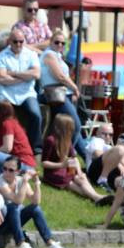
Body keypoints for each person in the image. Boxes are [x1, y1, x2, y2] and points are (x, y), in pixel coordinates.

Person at [0, 156, 66, 248]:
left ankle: (49, 242)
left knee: (35, 209)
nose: (6, 172)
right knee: (14, 207)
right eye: (4, 169)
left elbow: (35, 201)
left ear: (18, 171)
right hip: (0, 223)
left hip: (16, 221)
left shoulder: (20, 180)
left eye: (11, 170)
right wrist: (24, 182)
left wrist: (37, 183)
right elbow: (17, 201)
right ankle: (20, 243)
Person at [40, 30, 88, 161]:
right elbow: (60, 76)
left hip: (62, 95)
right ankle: (64, 156)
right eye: (57, 42)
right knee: (75, 125)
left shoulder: (58, 55)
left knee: (69, 128)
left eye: (63, 43)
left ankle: (87, 158)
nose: (60, 45)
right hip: (54, 94)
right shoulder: (49, 54)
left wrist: (72, 90)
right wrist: (74, 88)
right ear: (50, 42)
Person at [0, 29, 43, 152]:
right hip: (6, 93)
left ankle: (34, 148)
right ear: (9, 41)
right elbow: (1, 78)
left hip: (26, 93)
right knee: (0, 115)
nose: (19, 44)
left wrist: (13, 74)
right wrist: (24, 77)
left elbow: (36, 74)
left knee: (36, 114)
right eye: (15, 42)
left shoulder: (31, 54)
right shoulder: (1, 57)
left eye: (21, 41)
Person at [41, 114, 105, 204]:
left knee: (81, 178)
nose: (72, 130)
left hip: (65, 169)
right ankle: (96, 198)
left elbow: (74, 158)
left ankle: (97, 196)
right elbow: (44, 163)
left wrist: (79, 172)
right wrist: (61, 165)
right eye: (70, 128)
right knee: (70, 183)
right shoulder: (50, 140)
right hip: (53, 172)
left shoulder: (68, 140)